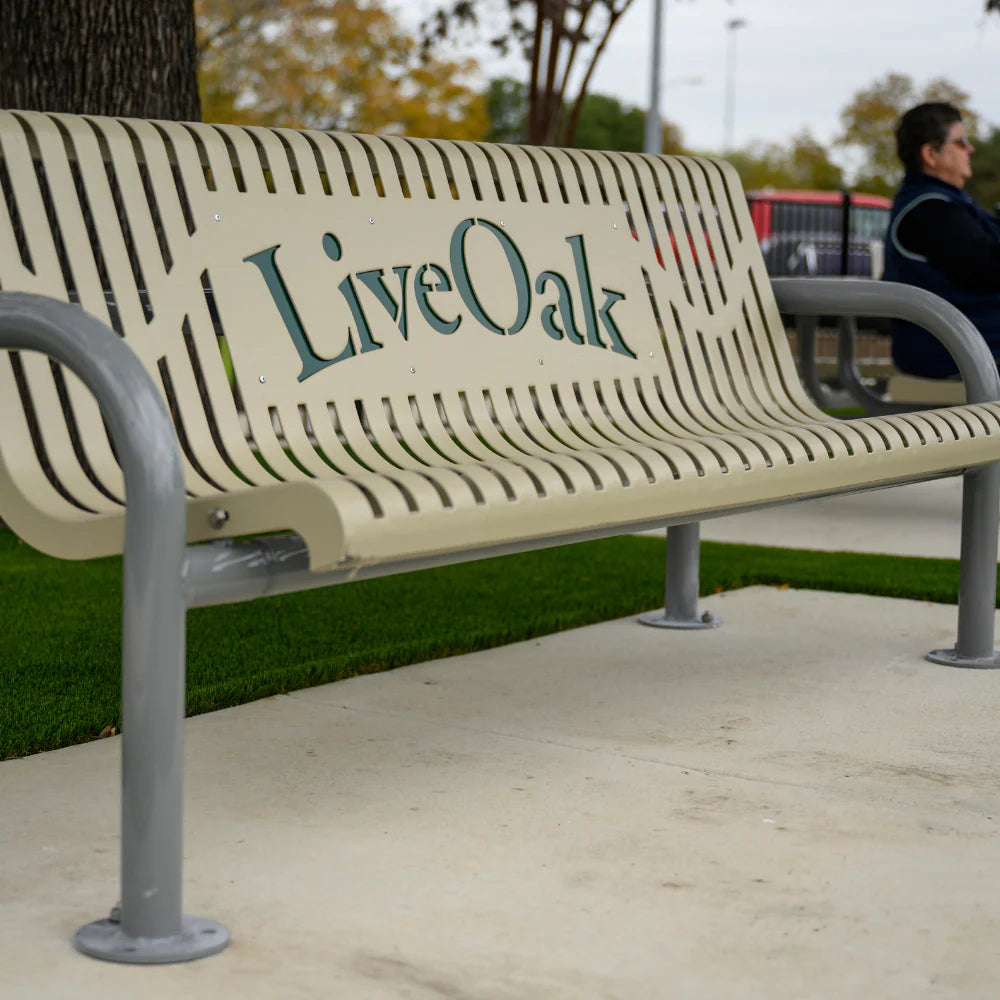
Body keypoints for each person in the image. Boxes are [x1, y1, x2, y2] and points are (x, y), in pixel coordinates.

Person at [882, 101, 1000, 378]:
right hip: (955, 353)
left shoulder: (943, 205)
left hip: (971, 345)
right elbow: (988, 269)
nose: (970, 149)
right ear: (930, 154)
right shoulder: (929, 211)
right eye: (961, 142)